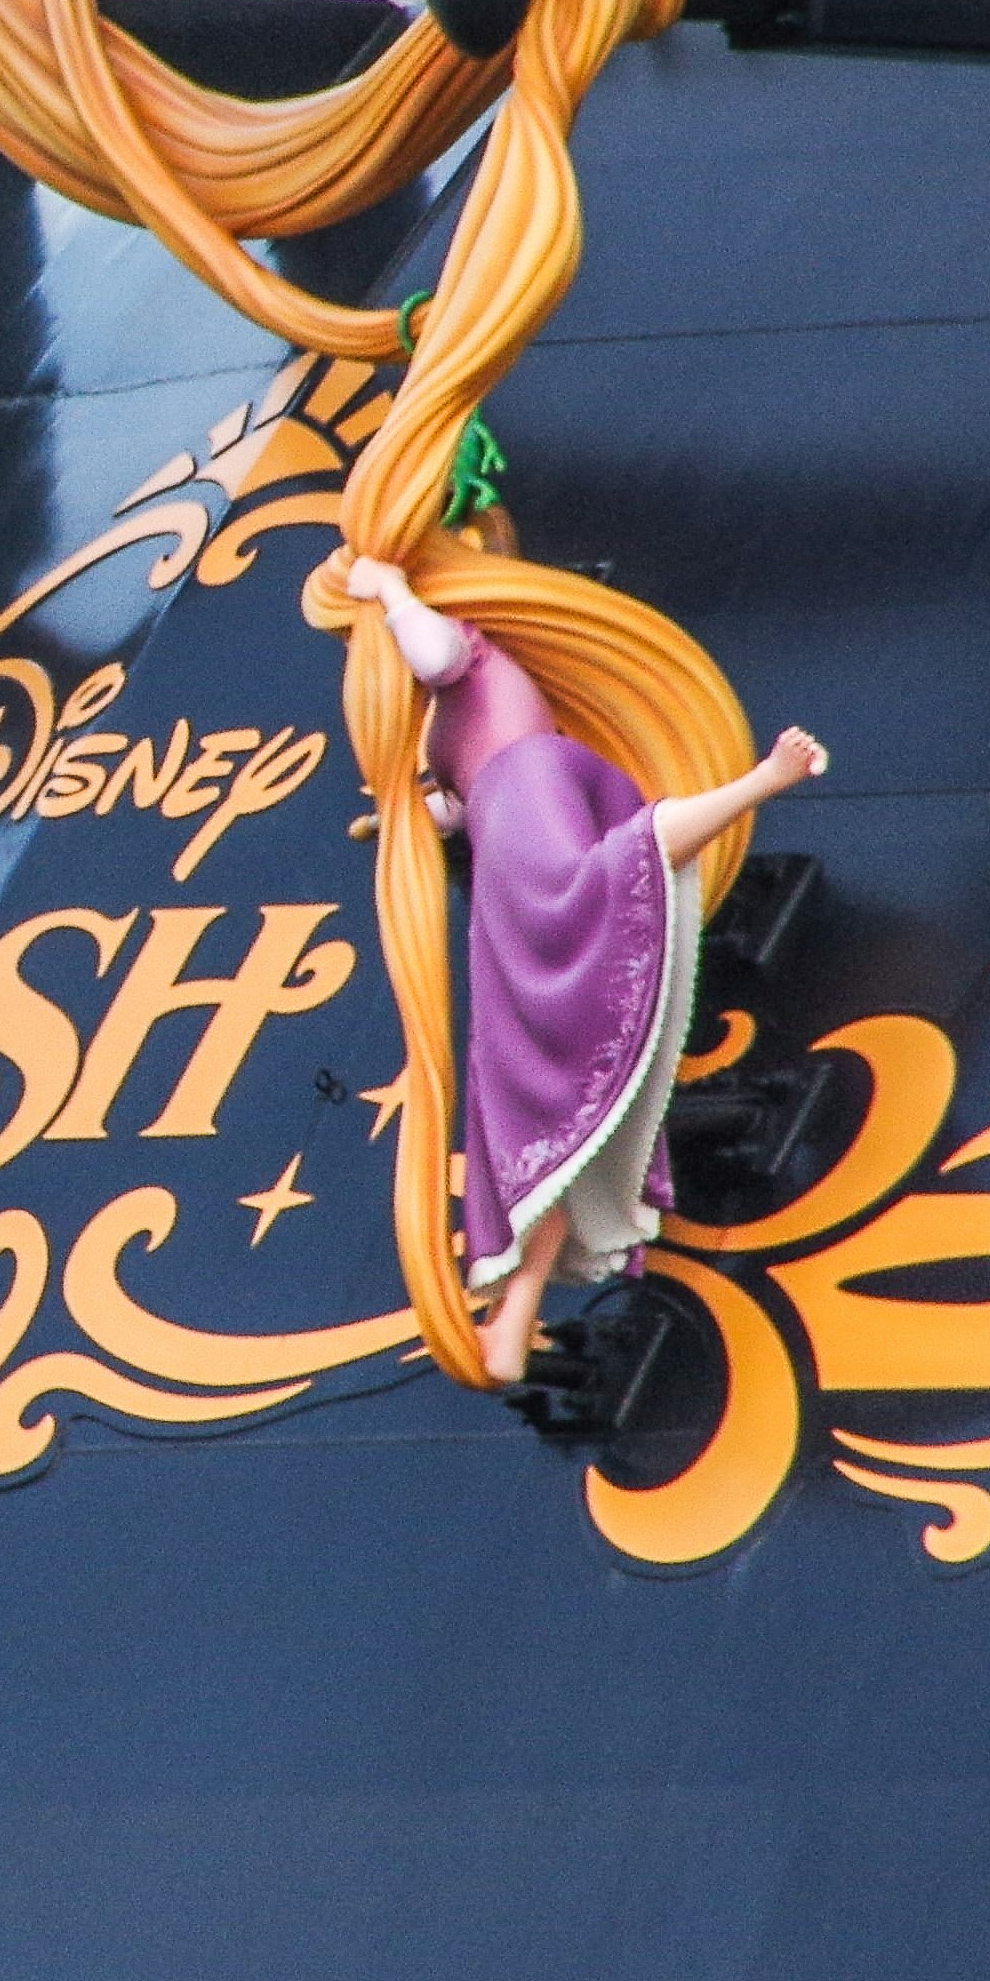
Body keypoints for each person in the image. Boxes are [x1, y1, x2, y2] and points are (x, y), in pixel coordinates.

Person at [339, 555, 827, 1386]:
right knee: (553, 1117)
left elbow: (436, 654)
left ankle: (759, 783)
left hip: (528, 794)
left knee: (601, 879)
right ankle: (512, 1318)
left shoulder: (469, 654)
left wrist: (389, 588)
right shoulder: (430, 725)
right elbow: (450, 804)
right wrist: (400, 822)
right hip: (504, 827)